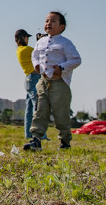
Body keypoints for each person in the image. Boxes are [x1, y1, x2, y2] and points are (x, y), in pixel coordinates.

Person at [23, 12, 81, 151]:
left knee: (61, 114)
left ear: (62, 27)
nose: (48, 23)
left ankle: (65, 141)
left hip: (59, 83)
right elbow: (34, 55)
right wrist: (36, 64)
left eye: (53, 21)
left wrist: (62, 67)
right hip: (43, 82)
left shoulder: (65, 43)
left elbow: (76, 60)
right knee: (40, 110)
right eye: (47, 21)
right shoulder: (40, 42)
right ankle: (36, 139)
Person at [15, 29, 47, 140]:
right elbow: (39, 55)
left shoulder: (20, 50)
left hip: (30, 79)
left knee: (29, 109)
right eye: (26, 37)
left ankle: (28, 134)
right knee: (38, 106)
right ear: (22, 38)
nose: (28, 39)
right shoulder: (25, 49)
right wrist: (41, 41)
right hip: (33, 79)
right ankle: (40, 134)